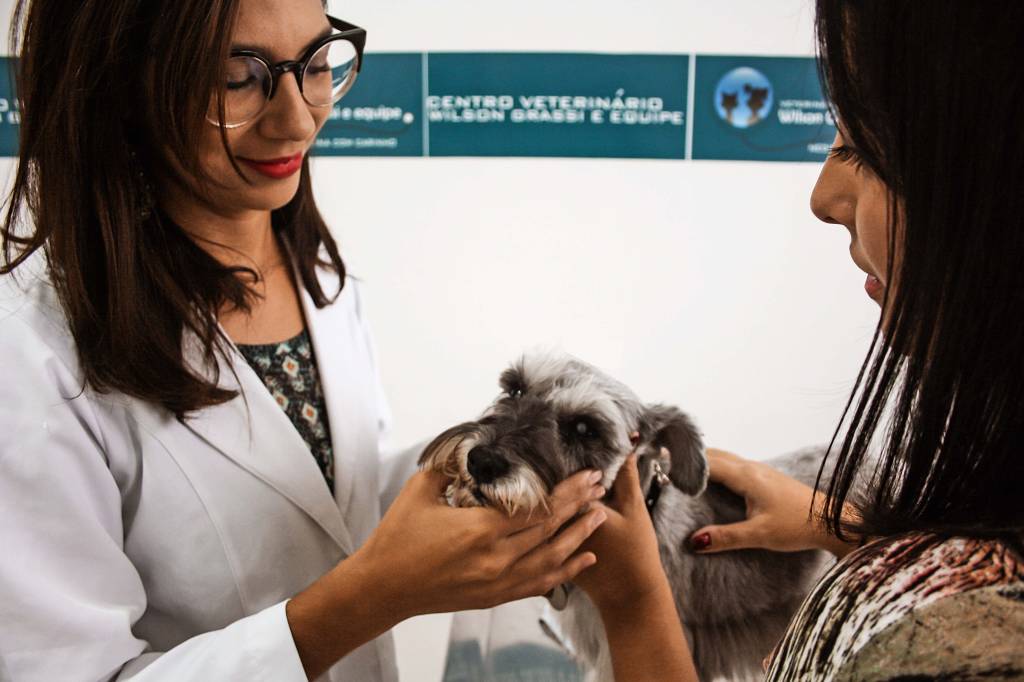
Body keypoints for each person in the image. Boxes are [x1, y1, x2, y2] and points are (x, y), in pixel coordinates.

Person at [0, 1, 608, 680]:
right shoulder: (31, 354)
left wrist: (492, 463)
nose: (297, 118)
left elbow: (338, 498)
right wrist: (372, 595)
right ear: (118, 84)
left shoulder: (315, 273)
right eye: (237, 76)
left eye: (317, 63)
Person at [574, 1, 1024, 680]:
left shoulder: (978, 646)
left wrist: (633, 596)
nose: (823, 196)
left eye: (866, 147)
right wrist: (846, 532)